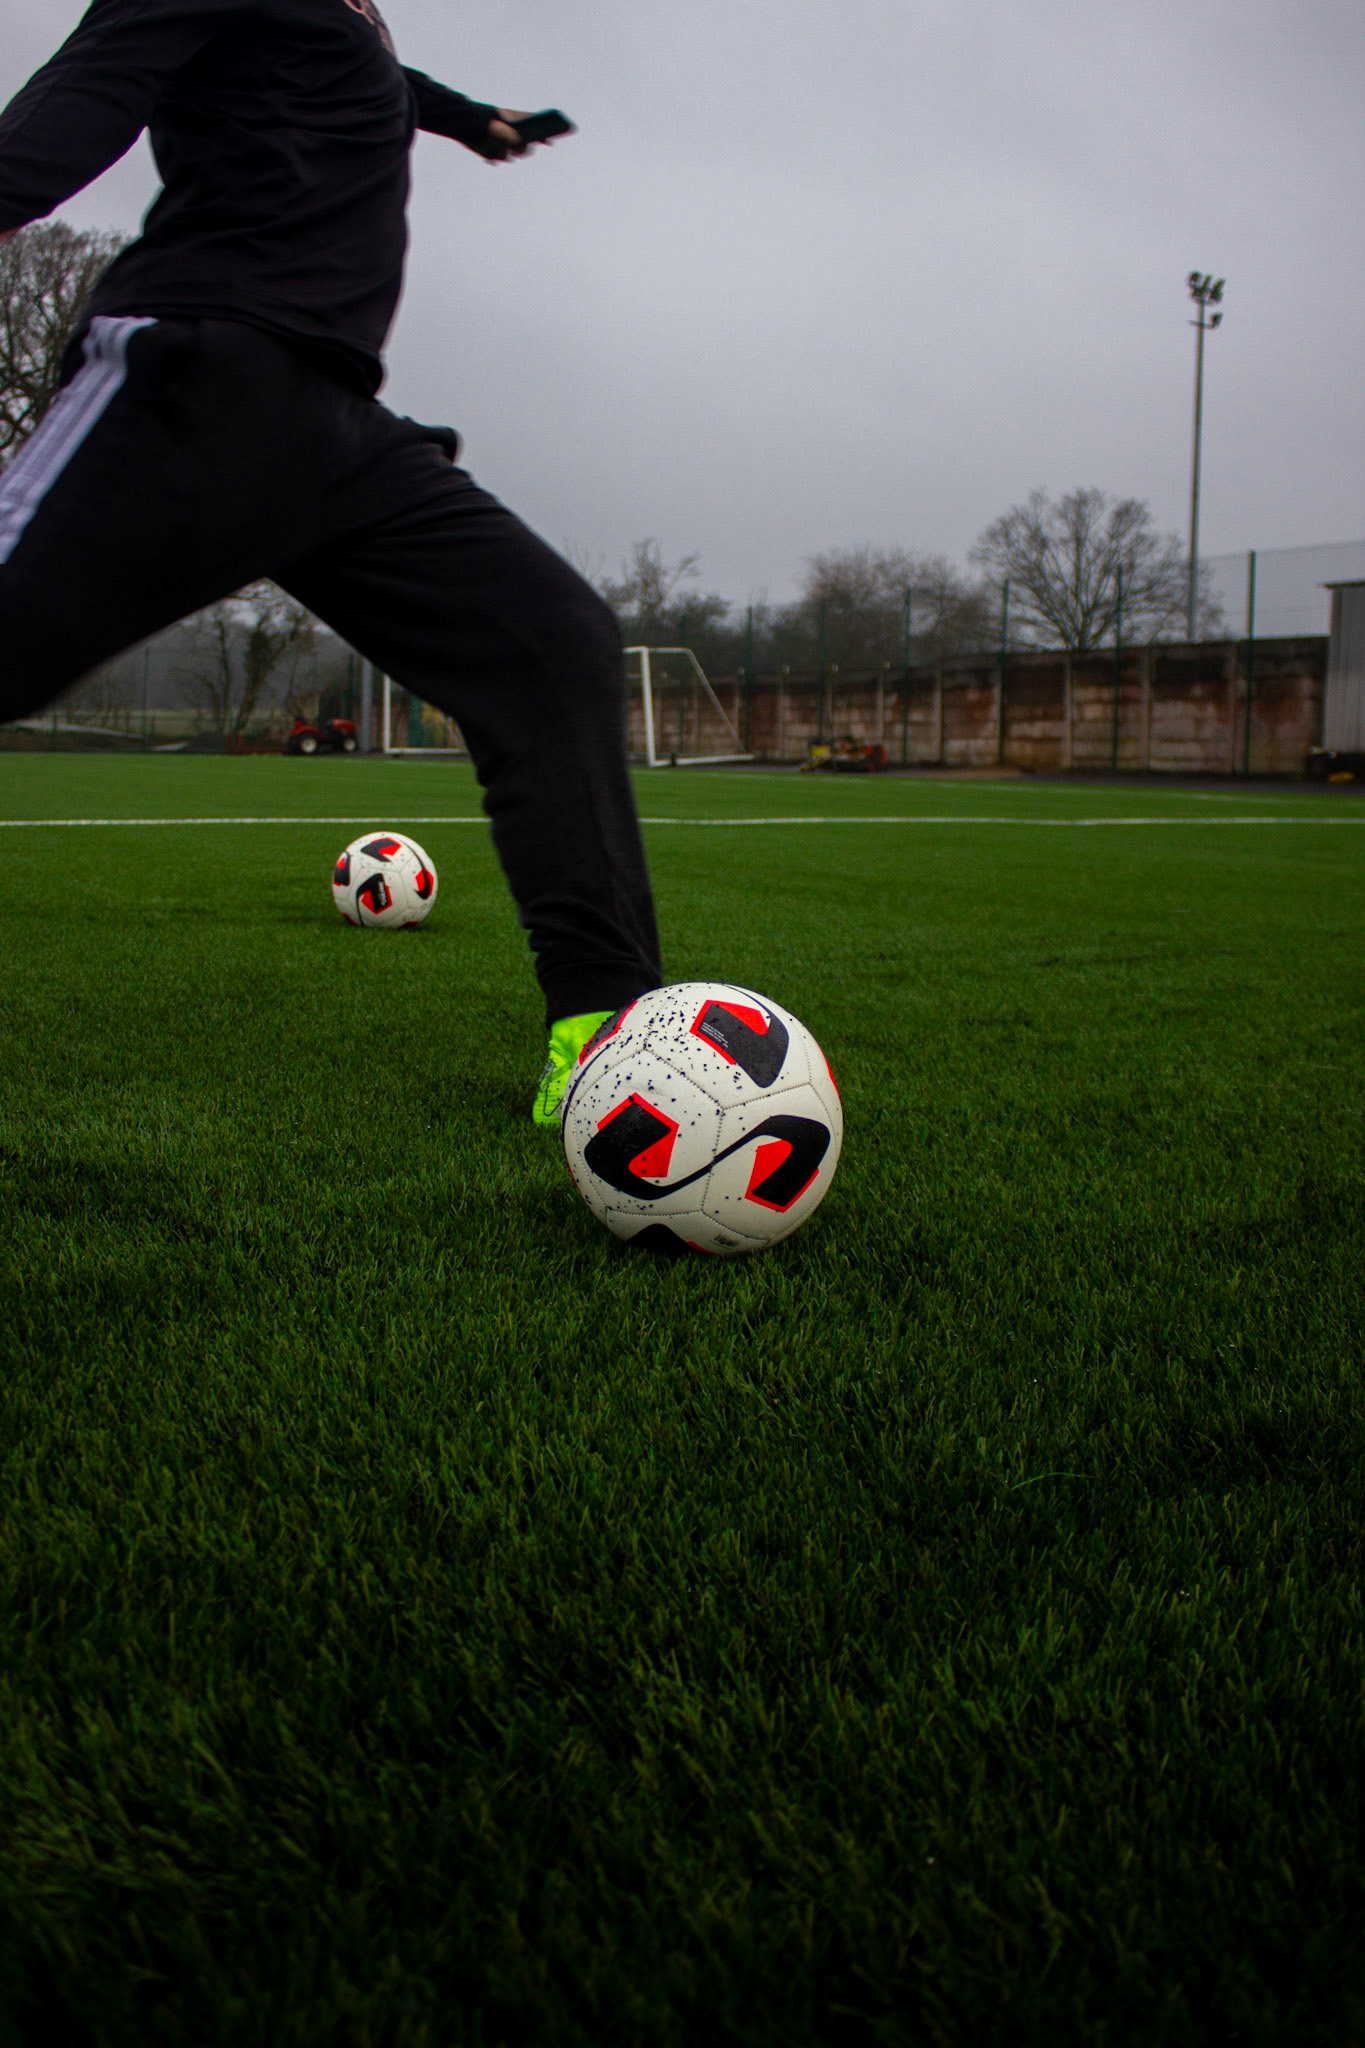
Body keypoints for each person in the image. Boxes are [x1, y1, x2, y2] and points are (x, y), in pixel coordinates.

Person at [0, 0, 661, 1125]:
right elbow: (91, 88)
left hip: (339, 431)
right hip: (197, 380)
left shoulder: (348, 18)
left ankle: (605, 1034)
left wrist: (475, 121)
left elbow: (383, 85)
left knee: (554, 648)